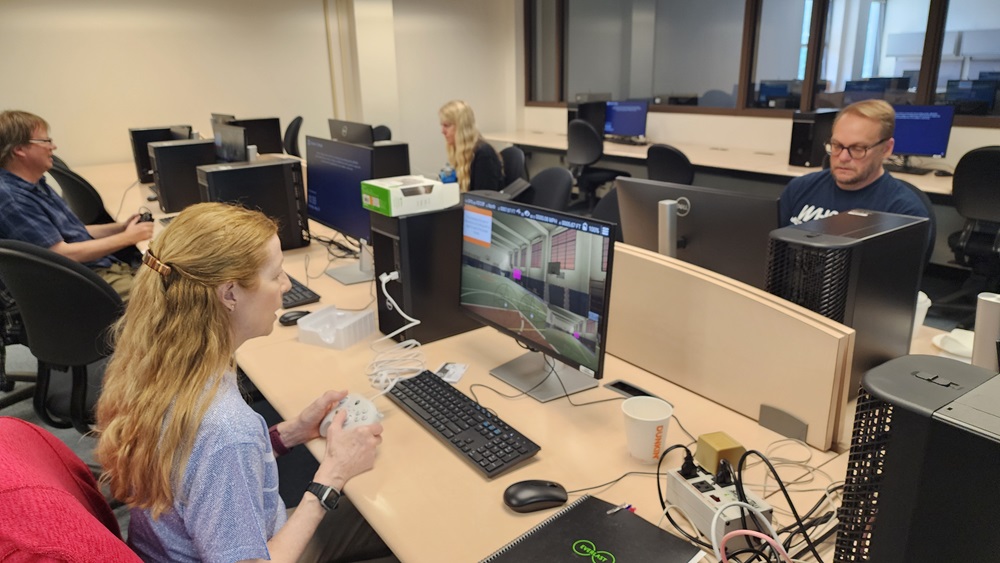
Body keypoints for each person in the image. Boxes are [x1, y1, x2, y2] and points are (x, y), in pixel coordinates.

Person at [95, 202, 393, 562]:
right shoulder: (226, 428)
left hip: (174, 545)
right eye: (277, 274)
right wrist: (331, 476)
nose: (285, 285)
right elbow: (220, 447)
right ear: (230, 293)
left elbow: (195, 467)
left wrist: (292, 432)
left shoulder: (159, 361)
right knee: (385, 518)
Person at [0, 110, 153, 300]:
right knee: (172, 299)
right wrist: (128, 238)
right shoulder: (13, 198)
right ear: (19, 150)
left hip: (94, 268)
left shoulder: (33, 183)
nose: (53, 147)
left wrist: (120, 228)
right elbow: (61, 254)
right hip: (83, 282)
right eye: (45, 141)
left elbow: (74, 231)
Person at [779, 99, 929, 227]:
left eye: (858, 148)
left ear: (886, 149)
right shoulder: (799, 189)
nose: (843, 157)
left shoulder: (903, 211)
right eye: (837, 145)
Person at [439, 100, 504, 192]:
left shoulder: (483, 154)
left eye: (447, 125)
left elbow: (483, 199)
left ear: (461, 127)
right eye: (442, 125)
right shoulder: (458, 150)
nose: (442, 131)